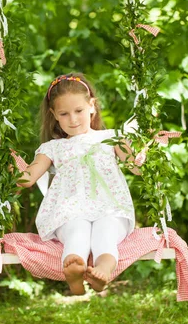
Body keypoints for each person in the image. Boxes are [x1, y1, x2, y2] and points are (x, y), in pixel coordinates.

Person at [16, 73, 141, 295]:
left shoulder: (112, 137)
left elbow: (136, 167)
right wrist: (14, 171)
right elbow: (29, 178)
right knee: (77, 233)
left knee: (107, 232)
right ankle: (73, 270)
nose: (73, 119)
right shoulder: (52, 147)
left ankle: (102, 271)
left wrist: (145, 153)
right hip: (70, 208)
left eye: (79, 111)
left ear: (92, 106)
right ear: (54, 115)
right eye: (64, 114)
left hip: (110, 206)